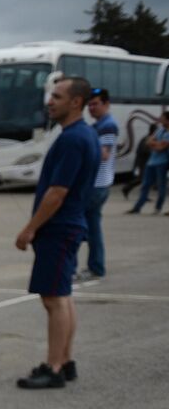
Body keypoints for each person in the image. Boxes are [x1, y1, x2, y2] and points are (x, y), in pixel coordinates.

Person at [14, 77, 98, 390]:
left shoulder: (73, 139)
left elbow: (57, 192)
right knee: (61, 295)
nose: (50, 101)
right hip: (68, 226)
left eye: (58, 96)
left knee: (53, 299)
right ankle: (65, 360)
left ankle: (54, 367)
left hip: (59, 227)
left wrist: (30, 228)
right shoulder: (82, 135)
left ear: (76, 102)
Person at [81, 88, 117, 279]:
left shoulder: (108, 125)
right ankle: (96, 266)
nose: (92, 108)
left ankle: (79, 267)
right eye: (90, 104)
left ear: (106, 104)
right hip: (98, 183)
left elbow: (104, 154)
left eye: (96, 104)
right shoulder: (98, 125)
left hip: (97, 184)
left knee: (79, 225)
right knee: (92, 226)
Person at [128, 110, 168, 214]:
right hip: (151, 162)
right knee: (145, 185)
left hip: (162, 162)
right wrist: (156, 144)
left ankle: (158, 207)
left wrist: (154, 144)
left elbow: (160, 148)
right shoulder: (160, 130)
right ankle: (137, 207)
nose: (160, 119)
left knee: (161, 185)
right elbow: (148, 141)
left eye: (162, 118)